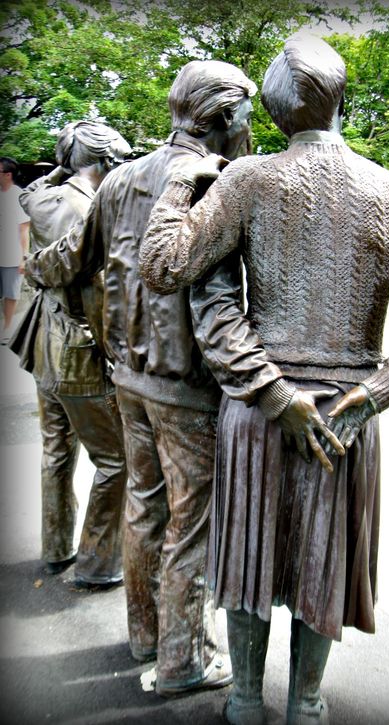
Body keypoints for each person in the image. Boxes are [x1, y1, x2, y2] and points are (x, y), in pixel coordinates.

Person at [140, 34, 389, 724]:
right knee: (323, 563)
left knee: (247, 559)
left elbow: (162, 263)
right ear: (342, 100)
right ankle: (307, 702)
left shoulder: (245, 179)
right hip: (343, 415)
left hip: (263, 405)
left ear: (275, 111)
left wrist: (182, 173)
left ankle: (241, 701)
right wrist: (374, 392)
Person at [23, 60, 258, 695]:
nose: (251, 128)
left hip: (128, 376)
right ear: (223, 119)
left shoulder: (121, 179)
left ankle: (146, 635)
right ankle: (185, 660)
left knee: (145, 505)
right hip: (187, 384)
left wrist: (31, 269)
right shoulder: (217, 179)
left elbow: (69, 261)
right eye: (246, 115)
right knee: (193, 522)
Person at [11, 122, 130, 586]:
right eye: (116, 161)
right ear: (102, 162)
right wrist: (114, 352)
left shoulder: (43, 197)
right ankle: (99, 562)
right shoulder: (85, 211)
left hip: (43, 342)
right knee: (117, 459)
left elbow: (36, 186)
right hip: (77, 347)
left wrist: (64, 168)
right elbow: (96, 291)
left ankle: (56, 547)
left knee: (57, 449)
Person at [0, 157, 30, 344]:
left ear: (8, 175)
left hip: (11, 256)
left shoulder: (18, 196)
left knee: (11, 295)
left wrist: (23, 258)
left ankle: (7, 327)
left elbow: (24, 228)